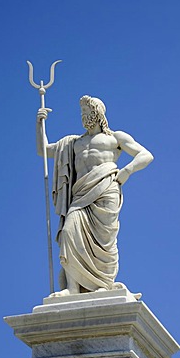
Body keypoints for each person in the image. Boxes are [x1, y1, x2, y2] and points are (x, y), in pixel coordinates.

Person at [37, 95, 154, 297]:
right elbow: (45, 151)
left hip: (107, 189)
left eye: (87, 112)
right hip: (80, 194)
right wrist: (40, 125)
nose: (84, 116)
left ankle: (103, 283)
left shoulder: (115, 138)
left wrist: (127, 171)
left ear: (98, 113)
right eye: (82, 113)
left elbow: (145, 155)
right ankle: (72, 288)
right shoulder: (73, 143)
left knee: (104, 239)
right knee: (69, 232)